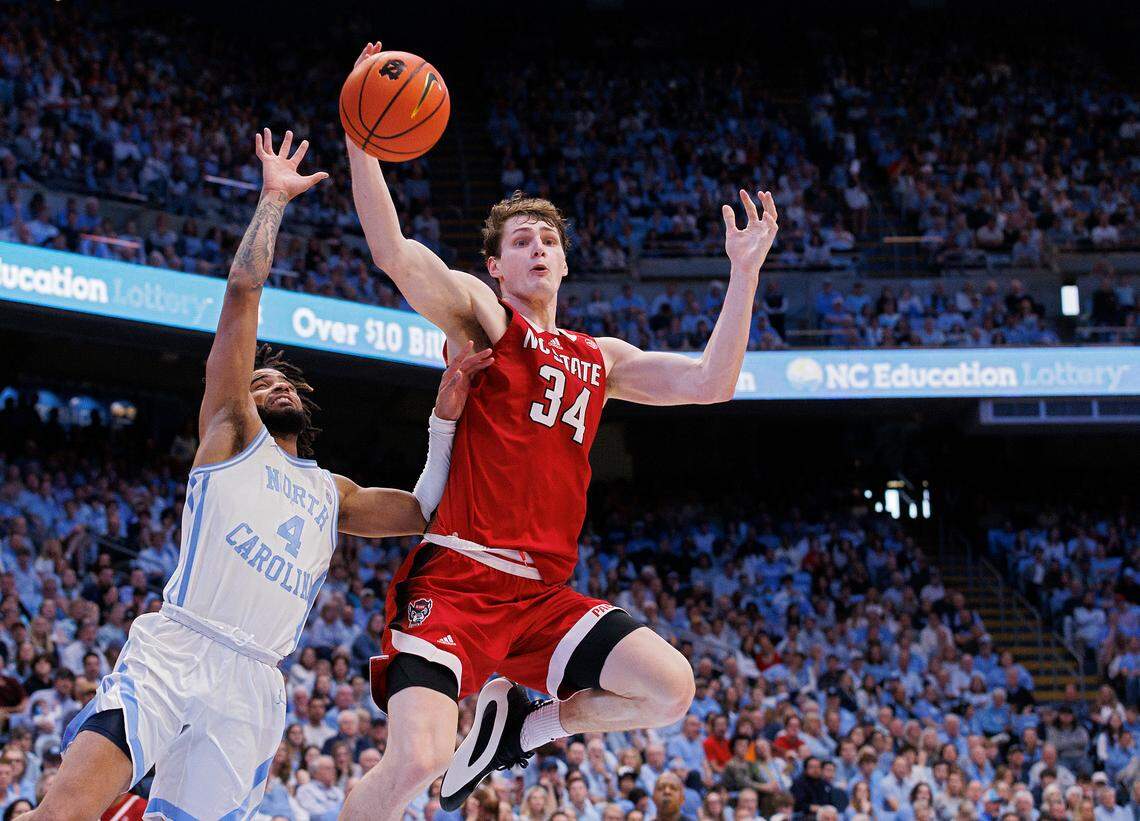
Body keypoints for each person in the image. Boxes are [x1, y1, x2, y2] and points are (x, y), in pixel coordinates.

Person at [343, 42, 779, 821]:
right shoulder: (486, 321)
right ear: (497, 267)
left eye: (548, 240)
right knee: (416, 758)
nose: (537, 247)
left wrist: (743, 274)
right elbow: (394, 253)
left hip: (540, 597)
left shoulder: (599, 357)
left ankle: (522, 728)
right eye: (521, 242)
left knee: (669, 687)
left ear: (566, 264)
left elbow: (713, 383)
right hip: (458, 579)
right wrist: (361, 138)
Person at [27, 129, 489, 819]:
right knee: (63, 809)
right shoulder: (231, 428)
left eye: (281, 380)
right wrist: (272, 198)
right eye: (260, 378)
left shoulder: (333, 492)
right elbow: (244, 289)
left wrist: (446, 416)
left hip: (255, 688)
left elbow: (425, 513)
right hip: (176, 649)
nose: (271, 384)